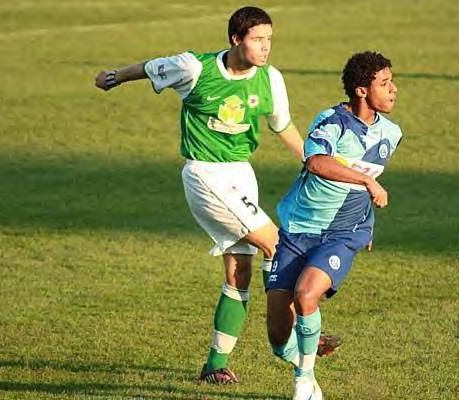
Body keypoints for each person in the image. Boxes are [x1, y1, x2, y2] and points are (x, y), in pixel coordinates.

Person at [94, 6, 340, 384]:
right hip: (204, 173)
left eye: (269, 40)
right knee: (277, 243)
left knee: (239, 271)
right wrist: (114, 76)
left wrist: (315, 163)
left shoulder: (270, 79)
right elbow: (149, 67)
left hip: (242, 173)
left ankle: (214, 365)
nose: (265, 47)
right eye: (258, 39)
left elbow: (284, 127)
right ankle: (295, 334)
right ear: (236, 39)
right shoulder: (195, 68)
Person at [265, 51, 402, 399]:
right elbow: (316, 162)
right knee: (279, 338)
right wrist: (367, 182)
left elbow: (358, 191)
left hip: (342, 235)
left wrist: (365, 223)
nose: (393, 89)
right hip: (298, 230)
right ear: (361, 90)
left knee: (306, 294)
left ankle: (303, 384)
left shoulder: (391, 134)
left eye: (391, 82)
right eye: (384, 84)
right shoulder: (331, 121)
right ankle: (303, 369)